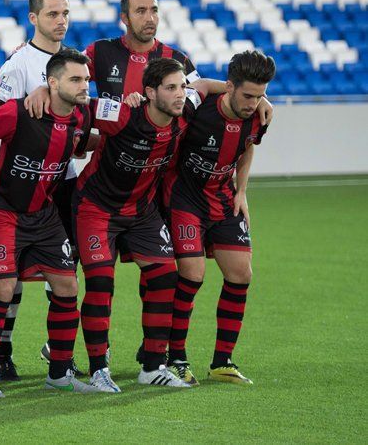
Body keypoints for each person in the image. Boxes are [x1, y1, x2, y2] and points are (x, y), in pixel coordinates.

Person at [74, 57, 218, 390]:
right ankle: (99, 370)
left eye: (182, 86)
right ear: (149, 92)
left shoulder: (186, 111)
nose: (181, 94)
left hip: (142, 212)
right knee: (99, 284)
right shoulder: (123, 114)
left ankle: (153, 367)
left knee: (166, 277)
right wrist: (40, 91)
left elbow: (207, 86)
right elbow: (80, 103)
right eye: (171, 88)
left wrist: (262, 97)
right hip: (97, 208)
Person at [0, 49, 99, 397]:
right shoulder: (17, 111)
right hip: (2, 212)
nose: (84, 85)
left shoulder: (82, 114)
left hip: (45, 215)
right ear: (52, 82)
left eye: (86, 79)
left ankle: (59, 374)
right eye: (75, 79)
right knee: (2, 290)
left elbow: (84, 146)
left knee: (68, 289)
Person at [164, 51, 276, 386]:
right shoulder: (199, 108)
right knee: (192, 275)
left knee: (241, 274)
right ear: (228, 87)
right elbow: (194, 86)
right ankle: (176, 358)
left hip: (224, 199)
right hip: (185, 198)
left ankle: (222, 361)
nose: (253, 103)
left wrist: (241, 191)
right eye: (247, 96)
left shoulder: (258, 114)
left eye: (259, 96)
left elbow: (248, 146)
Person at [0, 0, 77, 380]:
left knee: (63, 268)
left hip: (64, 181)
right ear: (33, 19)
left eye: (64, 14)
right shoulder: (17, 66)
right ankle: (2, 350)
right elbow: (1, 125)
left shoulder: (75, 64)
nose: (60, 21)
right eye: (52, 15)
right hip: (21, 185)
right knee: (13, 273)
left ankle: (56, 350)